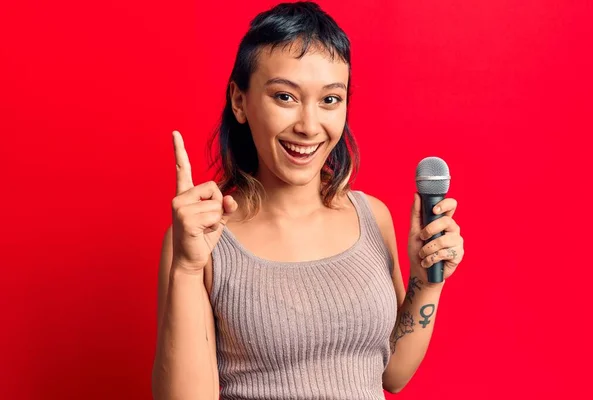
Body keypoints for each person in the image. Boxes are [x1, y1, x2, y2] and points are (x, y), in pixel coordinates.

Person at [152, 2, 465, 399]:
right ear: (239, 101)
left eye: (330, 100)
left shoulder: (372, 216)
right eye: (285, 96)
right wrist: (186, 266)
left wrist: (426, 279)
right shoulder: (202, 241)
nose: (308, 126)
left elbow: (393, 374)